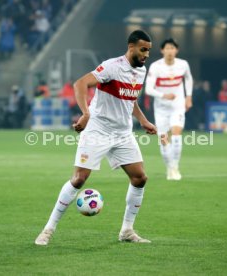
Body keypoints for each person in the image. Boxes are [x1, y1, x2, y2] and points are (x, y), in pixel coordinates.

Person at [35, 30, 157, 246]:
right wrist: (86, 113)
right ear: (131, 47)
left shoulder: (141, 71)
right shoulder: (112, 66)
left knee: (140, 178)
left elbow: (131, 99)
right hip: (98, 130)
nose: (147, 53)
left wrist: (143, 120)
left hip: (122, 133)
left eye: (149, 49)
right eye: (143, 49)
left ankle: (127, 231)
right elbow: (80, 84)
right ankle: (48, 229)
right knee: (79, 179)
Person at [145, 38, 193, 181]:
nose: (170, 51)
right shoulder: (155, 66)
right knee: (163, 139)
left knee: (177, 134)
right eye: (167, 48)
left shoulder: (183, 64)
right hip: (161, 108)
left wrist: (188, 97)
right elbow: (148, 89)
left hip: (177, 106)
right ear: (162, 50)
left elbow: (189, 79)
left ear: (176, 50)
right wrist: (163, 95)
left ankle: (175, 167)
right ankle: (169, 167)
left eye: (172, 48)